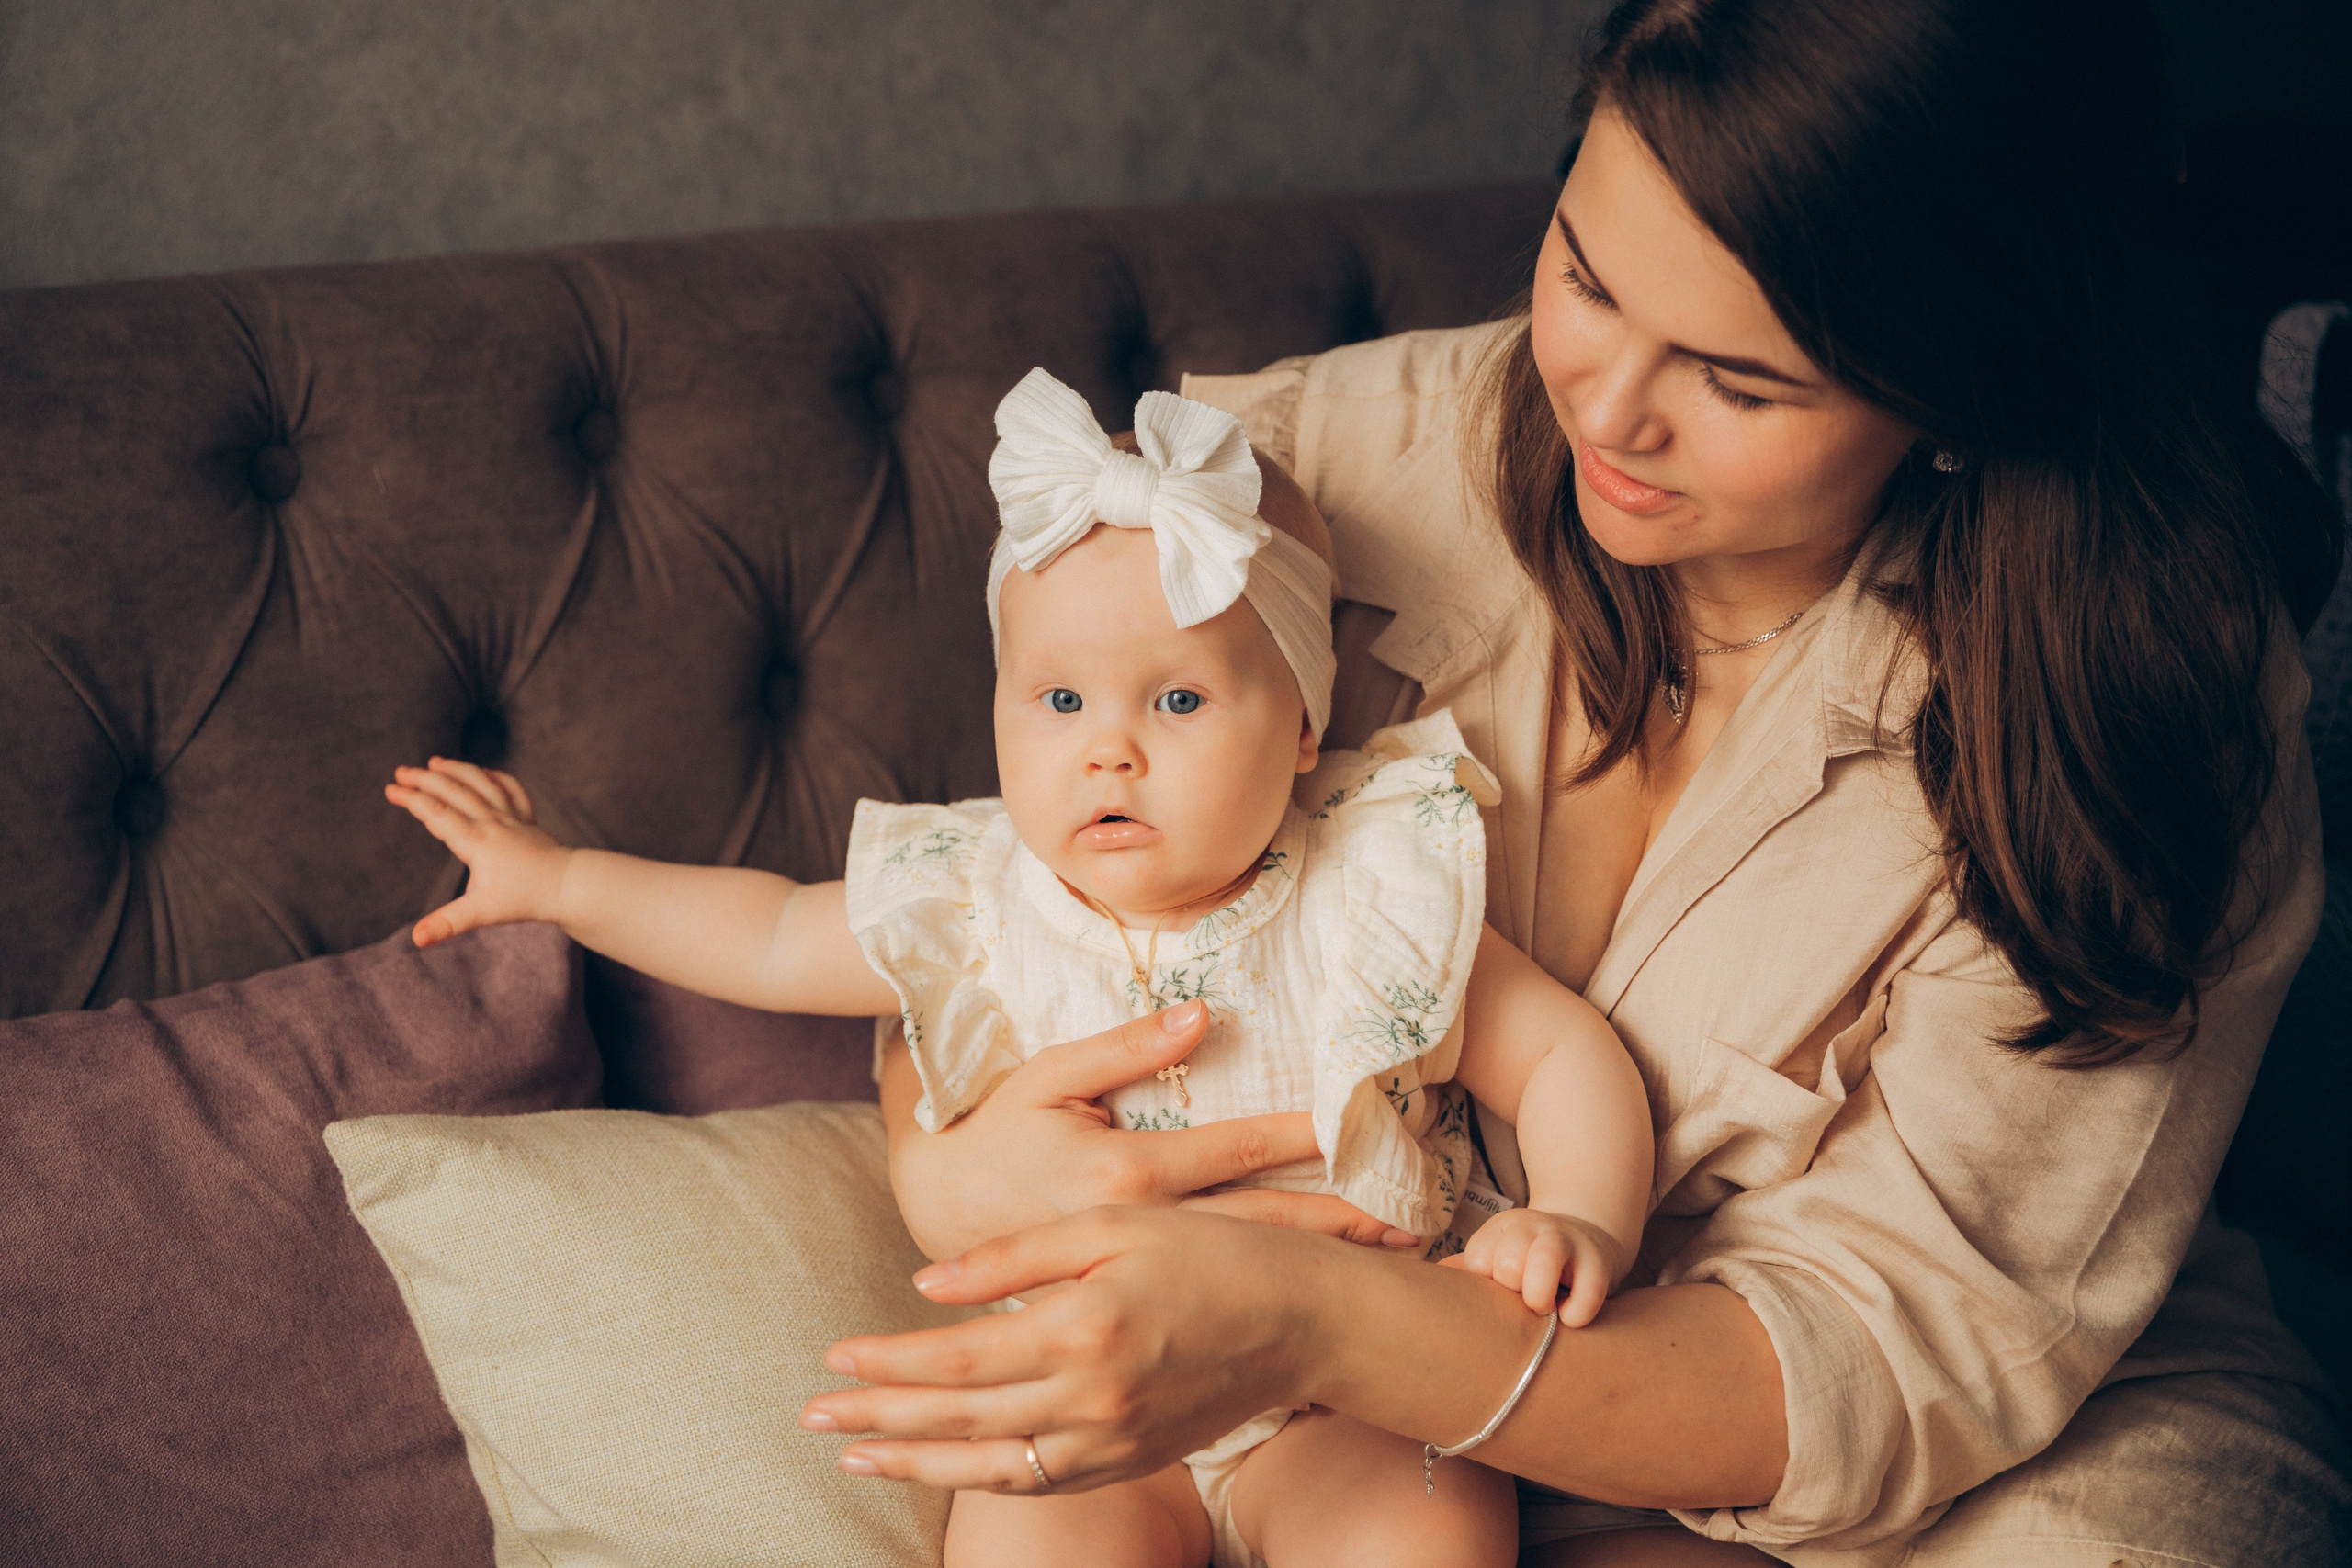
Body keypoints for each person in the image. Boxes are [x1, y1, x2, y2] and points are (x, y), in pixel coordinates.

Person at [792, 1, 2352, 1563]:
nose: (1603, 410)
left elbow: (1884, 1359)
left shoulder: (2144, 707)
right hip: (1374, 1406)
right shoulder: (1301, 477)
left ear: (1963, 384)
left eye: (1741, 382)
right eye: (1590, 279)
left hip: (1966, 1448)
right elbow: (1011, 887)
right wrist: (948, 1161)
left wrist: (1316, 1320)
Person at [383, 367, 1655, 1568]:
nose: (1109, 751)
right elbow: (765, 936)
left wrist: (1583, 1215)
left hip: (1343, 1397)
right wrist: (559, 879)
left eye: (1177, 702)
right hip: (1083, 1399)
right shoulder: (974, 896)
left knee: (1424, 1529)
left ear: (1306, 724)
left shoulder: (1369, 887)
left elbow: (1558, 1053)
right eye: (1060, 702)